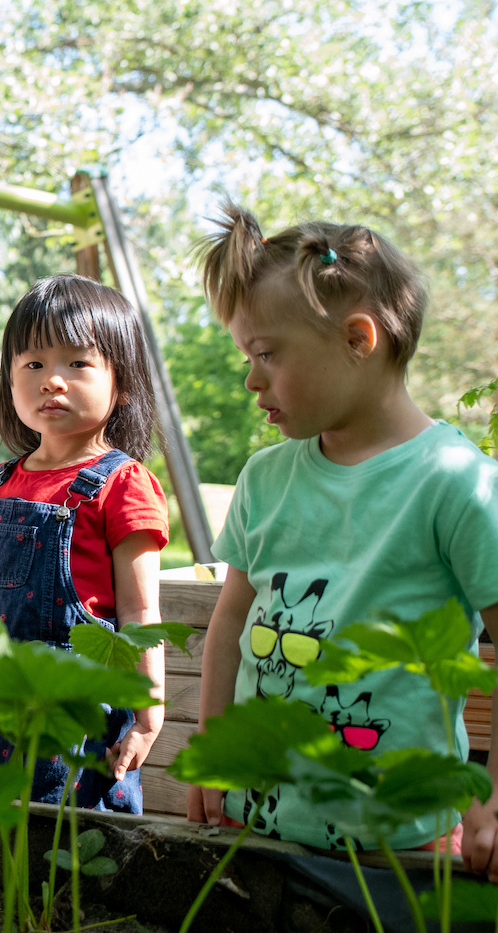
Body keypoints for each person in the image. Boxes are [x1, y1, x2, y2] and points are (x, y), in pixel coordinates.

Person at [189, 205, 498, 872]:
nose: (251, 379)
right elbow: (230, 622)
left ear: (359, 339)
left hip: (401, 848)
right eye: (247, 356)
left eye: (266, 353)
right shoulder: (264, 478)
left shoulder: (455, 482)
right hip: (254, 825)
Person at [0, 274, 170, 814]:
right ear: (10, 381)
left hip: (75, 706)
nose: (52, 381)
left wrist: (148, 716)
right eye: (33, 365)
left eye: (78, 363)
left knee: (65, 840)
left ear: (122, 383)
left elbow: (140, 613)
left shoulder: (123, 483)